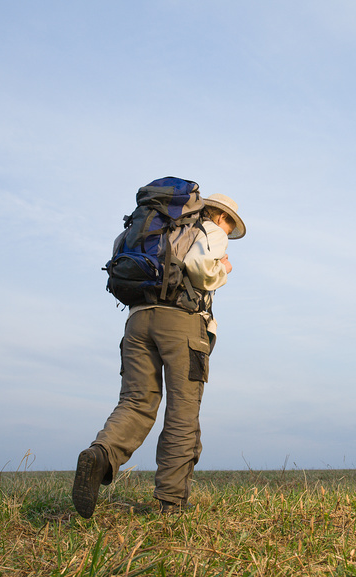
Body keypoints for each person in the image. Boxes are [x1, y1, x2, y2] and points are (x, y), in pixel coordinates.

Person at [72, 190, 246, 516]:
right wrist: (223, 270)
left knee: (136, 402)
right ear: (221, 216)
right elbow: (199, 267)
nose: (228, 229)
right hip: (181, 325)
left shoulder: (144, 230)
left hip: (137, 321)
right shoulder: (211, 230)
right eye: (229, 222)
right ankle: (171, 502)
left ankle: (100, 454)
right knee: (182, 413)